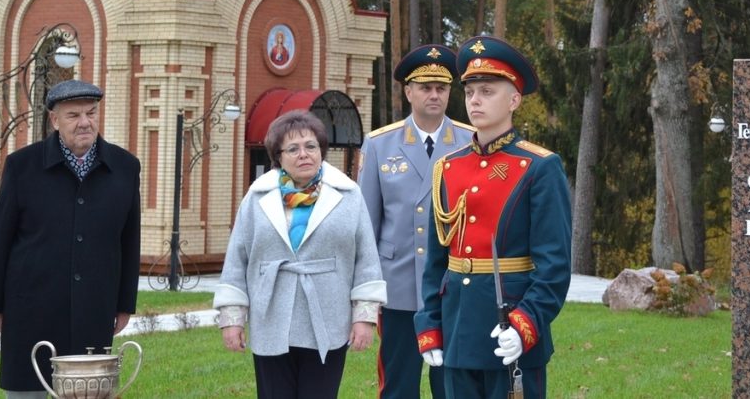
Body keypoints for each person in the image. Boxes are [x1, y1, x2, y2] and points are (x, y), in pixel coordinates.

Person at [415, 36, 572, 399]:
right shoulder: (448, 168)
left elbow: (554, 267)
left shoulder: (539, 167)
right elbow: (436, 263)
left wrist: (524, 325)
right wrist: (430, 325)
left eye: (487, 91)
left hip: (509, 327)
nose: (475, 100)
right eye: (470, 92)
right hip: (457, 328)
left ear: (514, 100)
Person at [0, 79, 141, 398]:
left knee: (88, 391)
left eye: (91, 113)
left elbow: (129, 241)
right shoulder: (21, 166)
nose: (85, 122)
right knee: (30, 387)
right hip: (31, 307)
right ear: (54, 120)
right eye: (74, 115)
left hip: (94, 308)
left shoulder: (125, 168)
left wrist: (124, 304)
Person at [214, 110, 387, 398]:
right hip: (271, 318)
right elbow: (237, 260)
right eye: (293, 148)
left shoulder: (348, 195)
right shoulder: (257, 198)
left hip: (327, 319)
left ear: (321, 151)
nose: (303, 154)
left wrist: (364, 317)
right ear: (278, 156)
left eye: (311, 146)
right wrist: (232, 317)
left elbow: (367, 261)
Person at [358, 44, 475, 399]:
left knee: (453, 386)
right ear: (408, 92)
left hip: (453, 285)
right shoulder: (380, 144)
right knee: (398, 387)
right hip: (399, 289)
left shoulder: (470, 142)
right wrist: (367, 289)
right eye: (425, 87)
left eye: (441, 88)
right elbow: (367, 225)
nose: (434, 95)